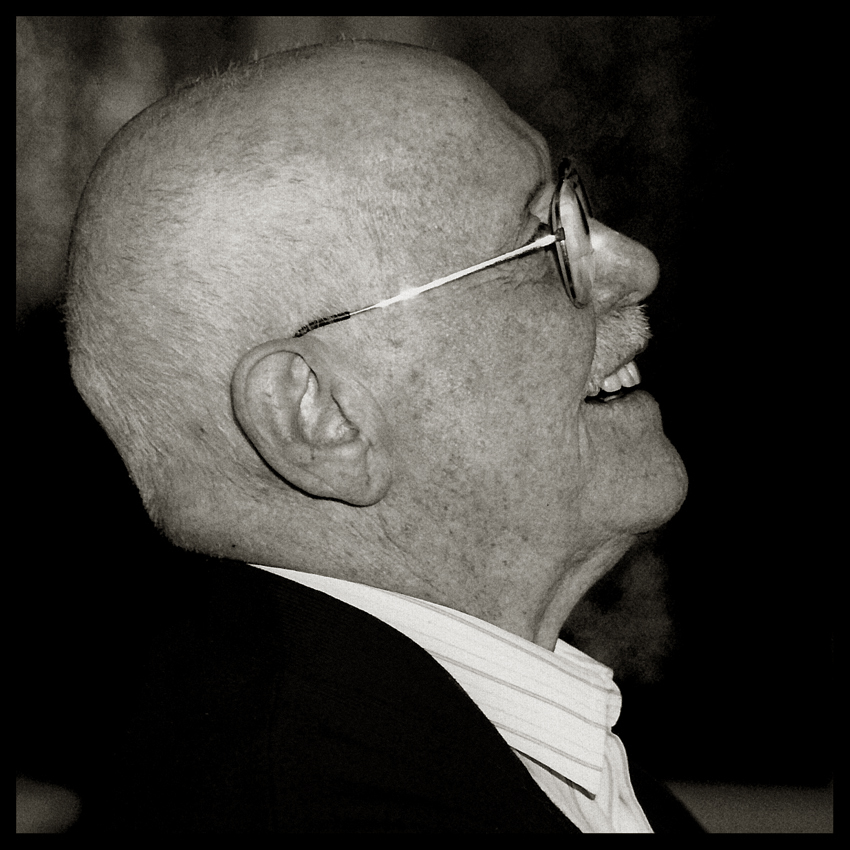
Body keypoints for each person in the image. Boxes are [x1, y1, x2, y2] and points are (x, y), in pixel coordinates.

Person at [64, 39, 697, 833]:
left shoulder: (410, 735)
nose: (635, 266)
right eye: (542, 240)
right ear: (322, 416)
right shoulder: (316, 802)